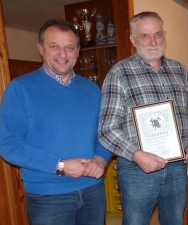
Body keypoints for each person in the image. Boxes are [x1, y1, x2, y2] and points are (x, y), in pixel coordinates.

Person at [0, 19, 112, 225]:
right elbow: (8, 145)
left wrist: (100, 159)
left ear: (78, 51)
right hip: (48, 197)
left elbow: (104, 134)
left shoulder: (92, 90)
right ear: (41, 48)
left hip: (93, 190)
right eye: (54, 47)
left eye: (69, 47)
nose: (63, 54)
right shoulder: (20, 89)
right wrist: (59, 166)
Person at [98, 11, 188, 225]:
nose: (153, 41)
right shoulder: (119, 74)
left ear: (164, 35)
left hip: (176, 166)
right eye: (145, 36)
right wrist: (137, 155)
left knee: (175, 221)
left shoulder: (180, 71)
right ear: (133, 40)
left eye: (158, 34)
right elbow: (107, 129)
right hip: (136, 170)